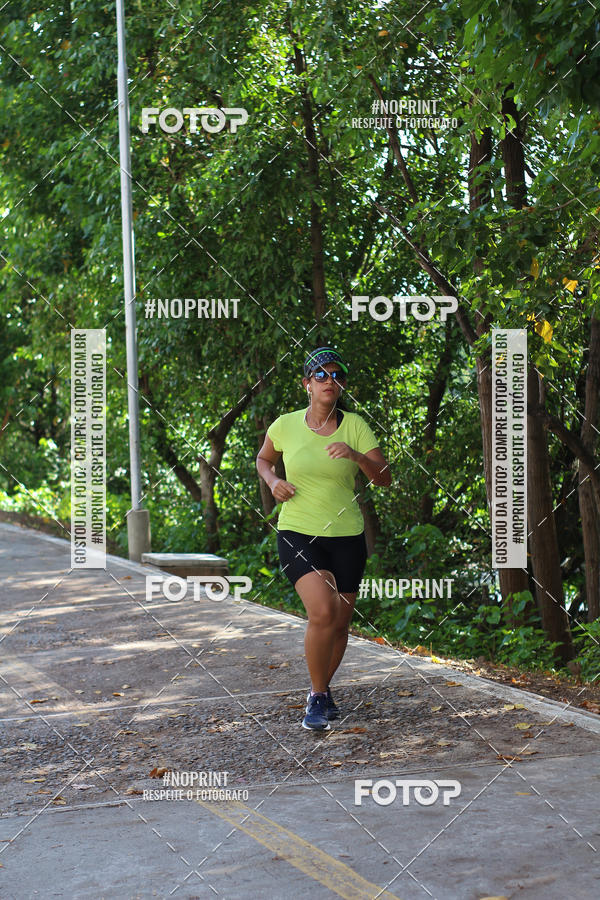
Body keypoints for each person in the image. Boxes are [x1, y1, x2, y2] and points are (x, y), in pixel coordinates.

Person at [256, 346, 391, 730]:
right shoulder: (284, 424)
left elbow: (384, 478)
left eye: (336, 375)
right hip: (298, 530)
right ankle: (316, 698)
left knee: (341, 624)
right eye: (321, 375)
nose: (330, 381)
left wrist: (356, 456)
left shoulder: (356, 426)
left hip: (347, 535)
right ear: (307, 385)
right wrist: (273, 480)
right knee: (322, 612)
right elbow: (263, 459)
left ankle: (324, 688)